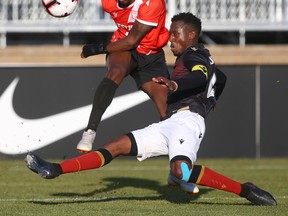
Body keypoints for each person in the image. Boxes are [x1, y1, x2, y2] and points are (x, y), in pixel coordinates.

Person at [25, 12, 276, 206]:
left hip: (187, 122)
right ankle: (55, 169)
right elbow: (219, 78)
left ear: (191, 36)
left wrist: (177, 83)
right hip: (171, 122)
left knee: (182, 171)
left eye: (176, 34)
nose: (170, 39)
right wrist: (212, 99)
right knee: (116, 145)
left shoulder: (193, 55)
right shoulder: (202, 56)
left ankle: (245, 189)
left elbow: (200, 77)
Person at [76, 0, 170, 153]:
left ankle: (179, 159)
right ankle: (90, 132)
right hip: (122, 48)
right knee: (116, 72)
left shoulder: (152, 2)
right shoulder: (108, 2)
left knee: (168, 111)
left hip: (150, 55)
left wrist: (95, 49)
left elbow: (132, 41)